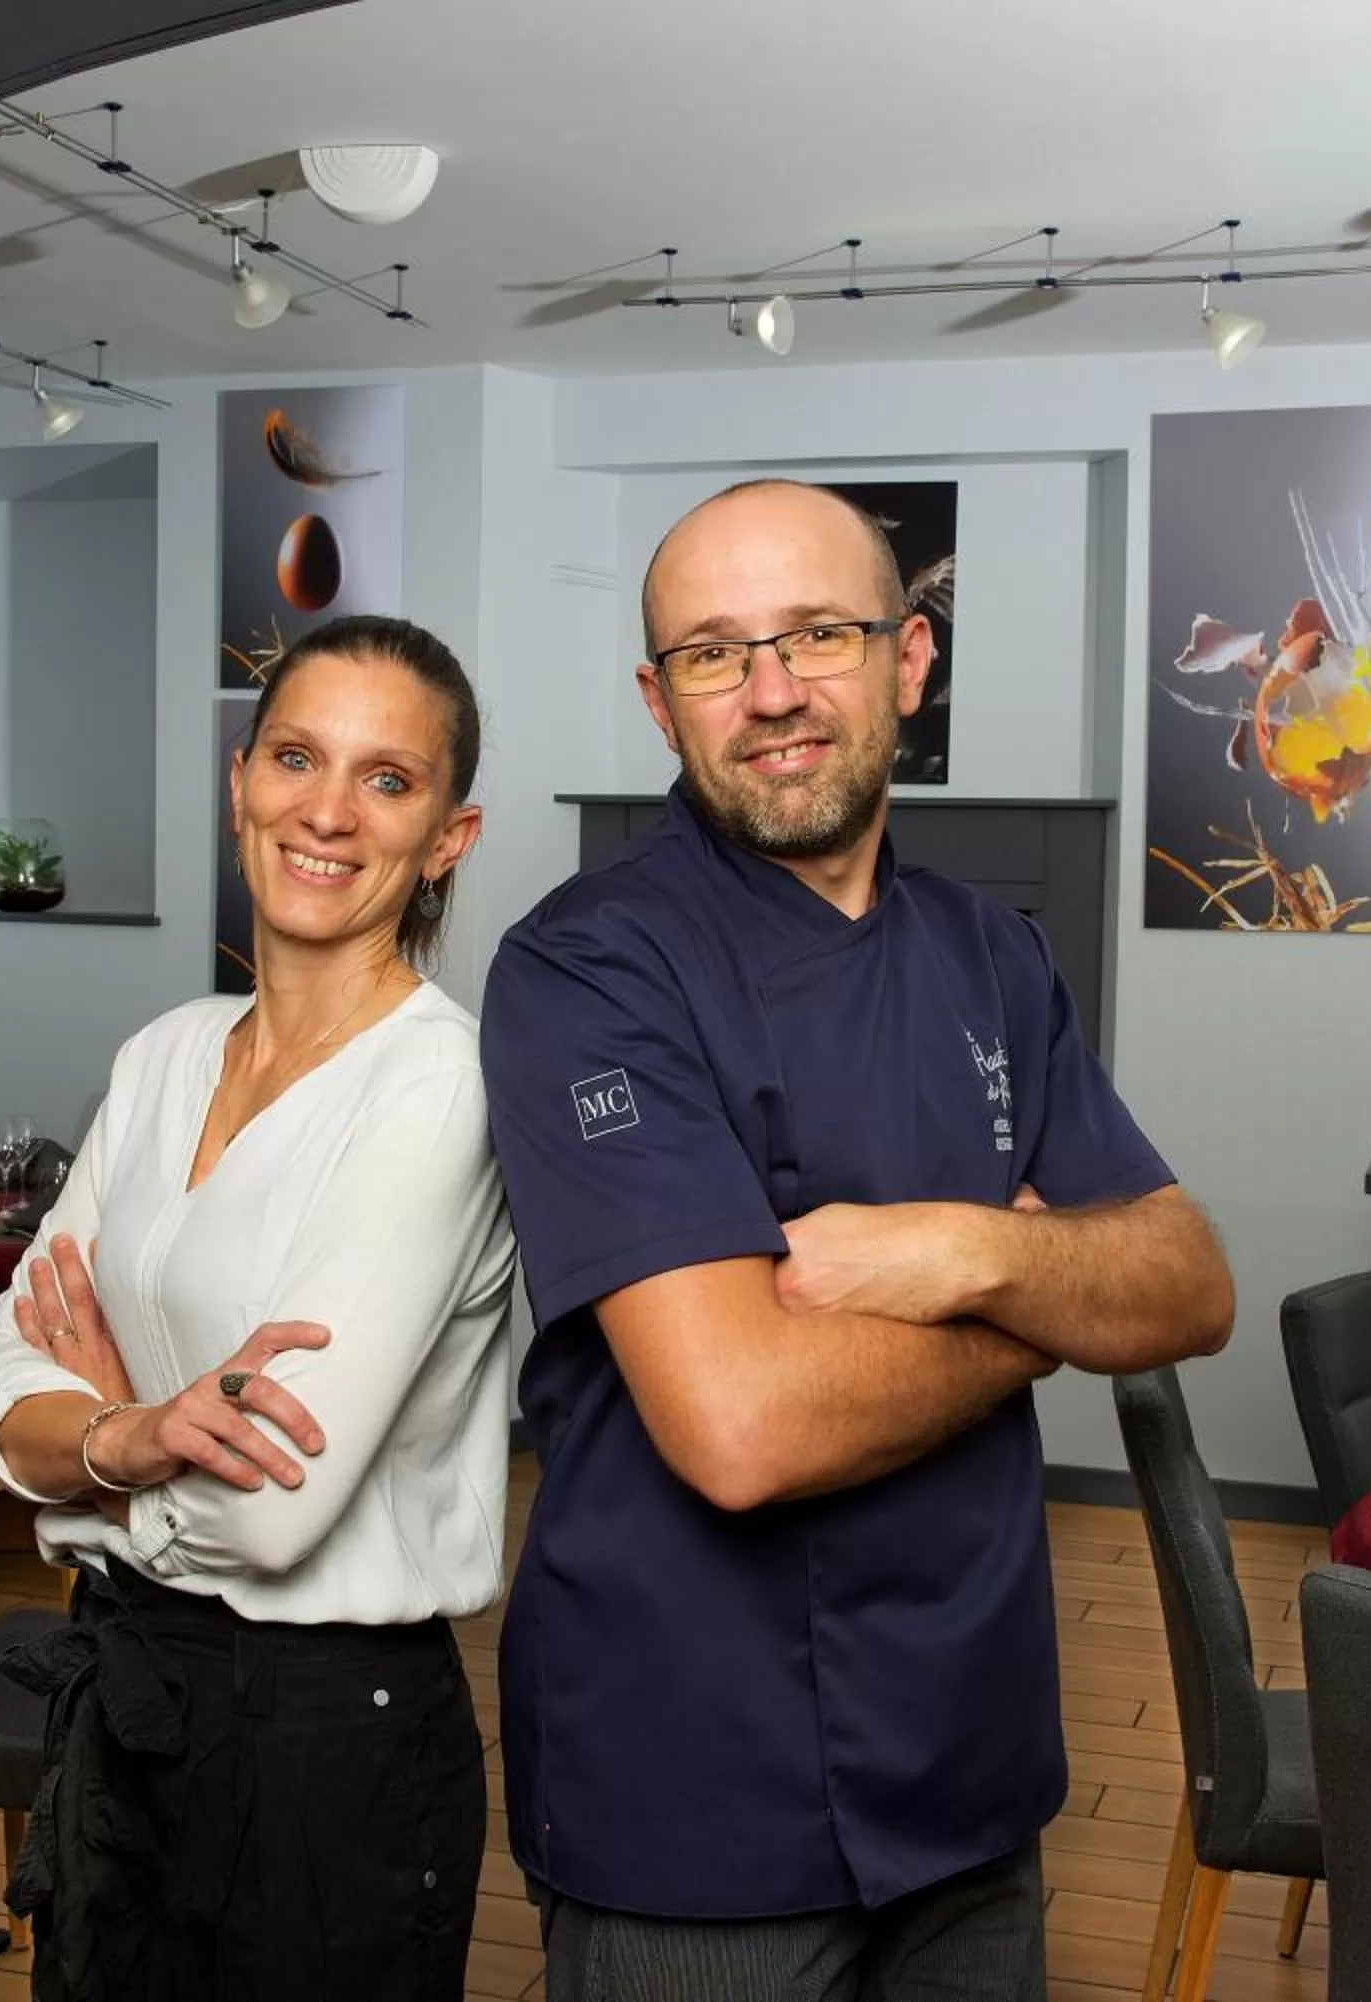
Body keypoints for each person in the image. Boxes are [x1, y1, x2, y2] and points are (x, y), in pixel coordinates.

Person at [480, 481, 1237, 2000]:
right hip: (690, 1796)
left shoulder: (995, 952)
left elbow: (1191, 1281)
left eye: (818, 633)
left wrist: (971, 1253)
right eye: (712, 653)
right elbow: (741, 1423)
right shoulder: (587, 966)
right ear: (658, 700)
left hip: (972, 1763)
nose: (770, 693)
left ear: (910, 659)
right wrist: (1050, 1309)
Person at [0, 614, 518, 2002]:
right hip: (126, 1699)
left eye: (388, 780)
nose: (327, 809)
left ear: (449, 836)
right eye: (295, 756)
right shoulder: (158, 1057)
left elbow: (276, 1508)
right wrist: (143, 1433)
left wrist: (91, 1466)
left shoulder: (440, 1085)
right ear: (240, 779)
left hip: (329, 1740)